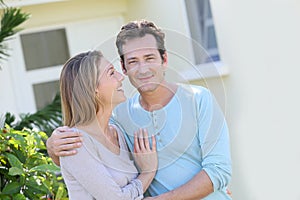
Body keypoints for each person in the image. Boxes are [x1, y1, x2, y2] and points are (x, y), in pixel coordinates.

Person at [47, 20, 232, 199]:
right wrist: (54, 148)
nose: (142, 69)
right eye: (133, 61)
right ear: (124, 67)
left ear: (164, 59)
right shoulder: (118, 117)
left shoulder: (200, 99)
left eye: (149, 58)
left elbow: (219, 170)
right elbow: (87, 158)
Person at [55, 50, 157, 199]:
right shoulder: (75, 142)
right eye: (111, 73)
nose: (121, 77)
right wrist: (148, 172)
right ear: (92, 88)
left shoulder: (117, 132)